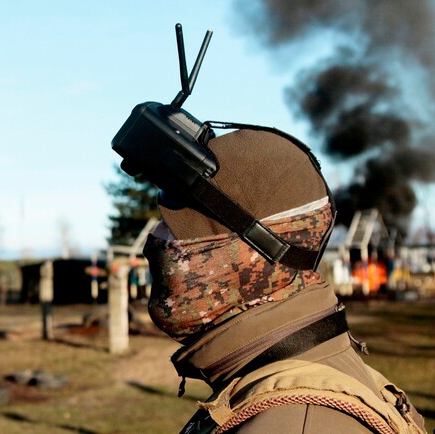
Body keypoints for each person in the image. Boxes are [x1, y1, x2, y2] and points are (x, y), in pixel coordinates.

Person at [140, 127, 426, 434]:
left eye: (180, 227)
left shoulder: (297, 422)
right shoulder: (284, 377)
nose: (156, 237)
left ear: (260, 250)